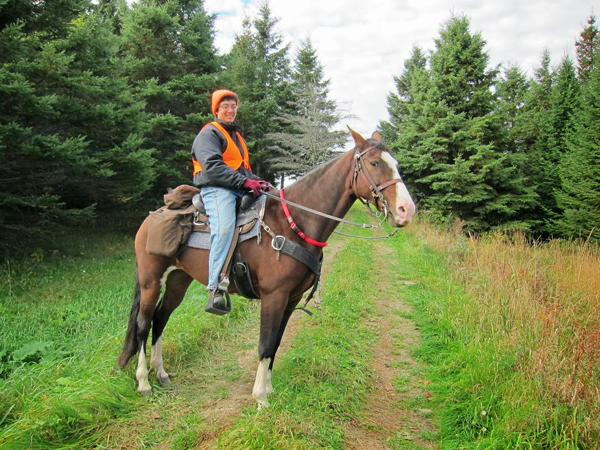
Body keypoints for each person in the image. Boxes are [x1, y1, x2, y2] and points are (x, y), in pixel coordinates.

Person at [191, 89, 268, 313]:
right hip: (217, 189)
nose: (231, 110)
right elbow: (214, 168)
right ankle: (216, 288)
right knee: (224, 228)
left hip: (235, 186)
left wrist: (259, 182)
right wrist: (245, 183)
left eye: (234, 106)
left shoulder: (236, 137)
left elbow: (243, 170)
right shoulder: (209, 134)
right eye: (225, 106)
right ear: (216, 109)